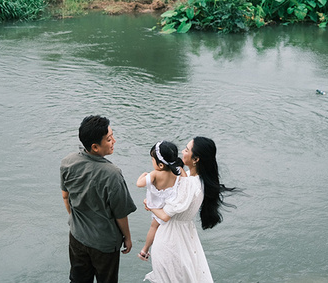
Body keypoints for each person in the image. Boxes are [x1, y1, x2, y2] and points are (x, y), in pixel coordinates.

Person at [144, 136, 235, 283]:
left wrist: (150, 205)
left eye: (186, 149)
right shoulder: (201, 181)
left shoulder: (189, 184)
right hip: (186, 237)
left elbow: (165, 216)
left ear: (196, 159)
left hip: (170, 240)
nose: (182, 151)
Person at [60, 115, 137, 283]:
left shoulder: (68, 162)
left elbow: (65, 196)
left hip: (77, 237)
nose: (114, 141)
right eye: (109, 139)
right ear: (95, 147)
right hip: (105, 245)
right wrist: (128, 238)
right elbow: (120, 214)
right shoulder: (112, 174)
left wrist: (76, 219)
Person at [135, 141, 186, 261]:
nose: (152, 162)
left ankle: (145, 250)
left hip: (157, 207)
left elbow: (139, 184)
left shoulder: (155, 174)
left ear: (161, 165)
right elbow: (185, 181)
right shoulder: (177, 173)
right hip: (169, 206)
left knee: (153, 227)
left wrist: (143, 175)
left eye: (152, 160)